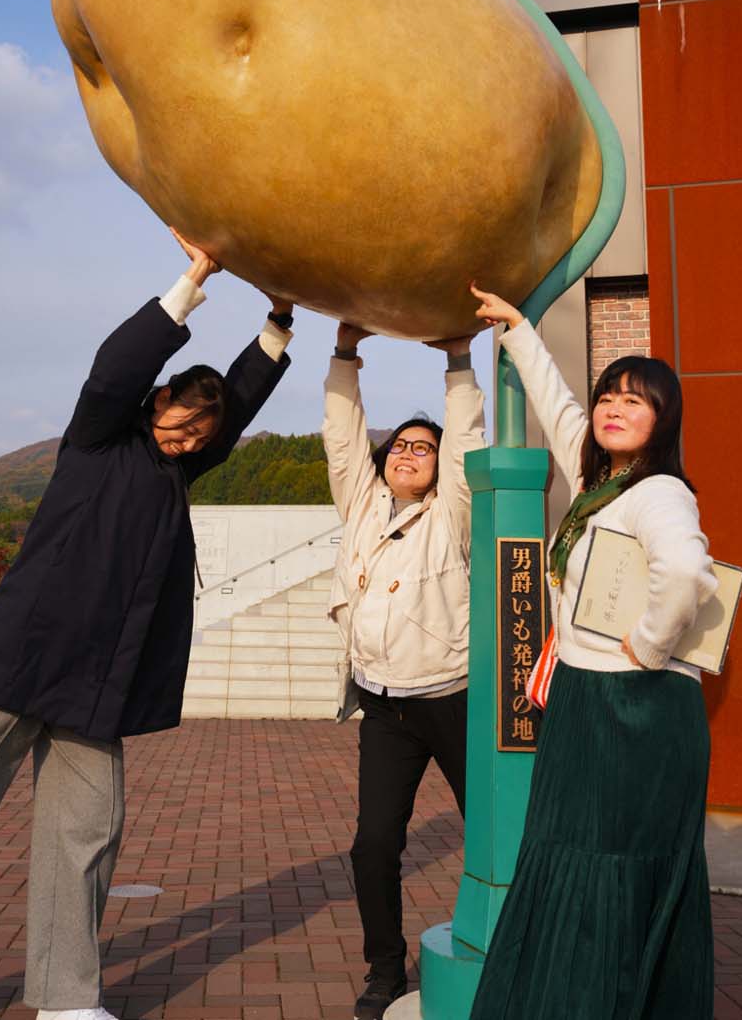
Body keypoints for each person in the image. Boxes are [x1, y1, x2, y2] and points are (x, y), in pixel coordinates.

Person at [0, 231, 294, 1020]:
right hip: (20, 660)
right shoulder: (102, 433)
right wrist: (194, 279)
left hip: (101, 682)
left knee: (86, 838)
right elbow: (116, 367)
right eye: (178, 421)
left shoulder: (180, 468)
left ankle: (67, 997)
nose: (185, 438)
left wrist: (278, 321)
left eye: (200, 436)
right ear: (157, 400)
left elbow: (235, 401)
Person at [467, 283, 718, 1020]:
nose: (613, 409)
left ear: (662, 421)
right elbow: (561, 408)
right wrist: (519, 332)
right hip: (587, 699)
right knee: (570, 858)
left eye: (635, 402)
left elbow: (688, 574)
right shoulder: (600, 485)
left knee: (605, 869)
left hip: (632, 709)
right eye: (611, 395)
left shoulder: (659, 492)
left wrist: (646, 645)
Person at [323, 323, 486, 1020]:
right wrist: (344, 354)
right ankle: (385, 969)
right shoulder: (361, 508)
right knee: (373, 847)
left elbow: (467, 441)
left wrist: (457, 361)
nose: (409, 454)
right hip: (384, 709)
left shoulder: (452, 514)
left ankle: (513, 940)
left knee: (495, 828)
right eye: (400, 446)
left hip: (451, 702)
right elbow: (340, 436)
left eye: (425, 448)